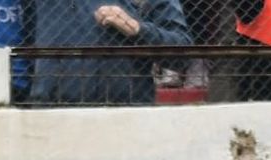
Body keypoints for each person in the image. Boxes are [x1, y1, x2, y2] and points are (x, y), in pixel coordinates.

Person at [29, 0, 191, 104]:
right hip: (52, 110)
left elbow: (183, 54)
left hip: (125, 112)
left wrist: (138, 30)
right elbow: (24, 32)